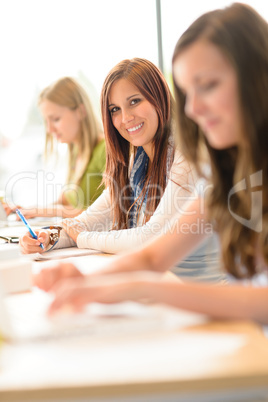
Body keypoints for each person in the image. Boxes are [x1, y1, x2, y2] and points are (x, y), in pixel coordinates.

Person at [32, 3, 268, 325]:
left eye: (209, 85)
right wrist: (83, 281)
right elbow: (154, 255)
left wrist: (144, 287)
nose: (193, 109)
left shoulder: (190, 157)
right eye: (188, 92)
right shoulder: (222, 170)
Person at [20, 58, 225, 283]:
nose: (126, 118)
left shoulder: (188, 155)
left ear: (160, 97)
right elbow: (86, 221)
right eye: (115, 109)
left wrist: (85, 238)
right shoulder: (136, 163)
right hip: (159, 291)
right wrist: (48, 236)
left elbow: (149, 238)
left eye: (135, 101)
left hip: (201, 297)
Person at [6, 77, 106, 218]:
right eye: (46, 121)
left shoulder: (104, 150)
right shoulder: (75, 150)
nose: (49, 129)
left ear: (81, 111)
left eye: (56, 119)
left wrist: (40, 211)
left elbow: (109, 215)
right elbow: (65, 203)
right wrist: (28, 211)